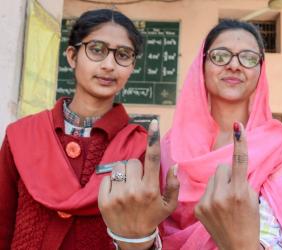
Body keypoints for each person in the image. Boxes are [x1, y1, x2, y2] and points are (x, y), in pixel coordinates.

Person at [99, 20, 282, 250]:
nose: (234, 65)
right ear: (201, 65)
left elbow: (276, 239)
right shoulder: (170, 148)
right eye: (220, 56)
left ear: (261, 69)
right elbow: (150, 227)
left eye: (248, 58)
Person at [0, 9, 174, 250]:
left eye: (123, 55)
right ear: (72, 56)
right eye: (97, 50)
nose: (109, 65)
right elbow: (3, 222)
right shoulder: (23, 135)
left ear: (132, 66)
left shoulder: (139, 149)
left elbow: (147, 231)